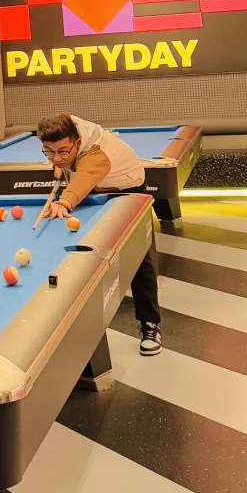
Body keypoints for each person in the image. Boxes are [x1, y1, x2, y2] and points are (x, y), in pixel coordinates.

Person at [36, 112, 162, 356]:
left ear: (77, 142)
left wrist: (65, 201)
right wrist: (59, 161)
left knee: (140, 256)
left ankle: (150, 325)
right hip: (96, 190)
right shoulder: (68, 127)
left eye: (63, 151)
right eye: (49, 151)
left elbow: (87, 173)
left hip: (127, 189)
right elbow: (70, 161)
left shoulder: (96, 155)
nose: (57, 156)